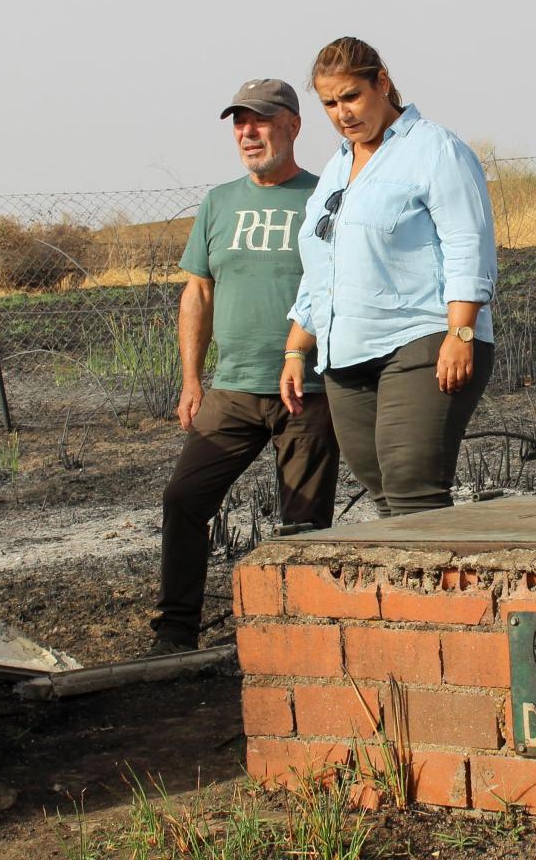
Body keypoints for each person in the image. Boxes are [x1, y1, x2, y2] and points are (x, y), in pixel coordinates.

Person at [152, 79, 340, 653]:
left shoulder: (325, 194)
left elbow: (339, 284)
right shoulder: (218, 203)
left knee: (303, 523)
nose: (248, 132)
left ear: (293, 125)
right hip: (231, 390)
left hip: (308, 389)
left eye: (260, 120)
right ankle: (176, 631)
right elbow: (198, 293)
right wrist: (192, 380)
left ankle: (298, 641)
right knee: (184, 500)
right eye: (240, 122)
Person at [280, 37, 497, 517]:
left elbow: (468, 243)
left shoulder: (435, 149)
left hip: (422, 339)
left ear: (381, 83)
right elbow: (323, 263)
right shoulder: (338, 167)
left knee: (412, 489)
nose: (342, 113)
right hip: (346, 356)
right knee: (384, 497)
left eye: (351, 96)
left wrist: (461, 333)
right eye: (329, 104)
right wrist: (297, 349)